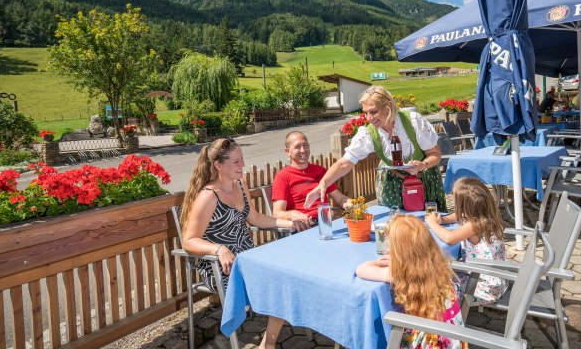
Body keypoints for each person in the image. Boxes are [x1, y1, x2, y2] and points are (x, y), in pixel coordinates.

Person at [179, 137, 302, 349]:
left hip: (247, 259)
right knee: (280, 283)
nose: (242, 165)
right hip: (220, 267)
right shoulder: (208, 196)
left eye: (242, 159)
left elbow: (256, 219)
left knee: (286, 276)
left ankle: (267, 345)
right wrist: (218, 249)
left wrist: (290, 222)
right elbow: (188, 241)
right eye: (236, 162)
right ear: (218, 165)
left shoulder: (240, 186)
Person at [304, 85, 445, 211]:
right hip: (392, 185)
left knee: (428, 228)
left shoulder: (413, 121)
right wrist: (322, 184)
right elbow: (344, 163)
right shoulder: (369, 133)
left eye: (373, 112)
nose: (368, 118)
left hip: (424, 181)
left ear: (388, 106)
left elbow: (435, 153)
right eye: (365, 112)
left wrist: (423, 164)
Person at [356, 215, 468, 349]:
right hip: (453, 339)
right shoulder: (438, 265)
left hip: (429, 343)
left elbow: (361, 269)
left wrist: (380, 263)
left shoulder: (401, 274)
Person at [425, 177, 508, 305]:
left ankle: (446, 317)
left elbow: (450, 238)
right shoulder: (485, 214)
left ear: (464, 207)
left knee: (434, 283)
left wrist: (432, 223)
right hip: (495, 279)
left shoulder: (475, 224)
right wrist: (444, 220)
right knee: (442, 273)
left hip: (483, 287)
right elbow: (459, 216)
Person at [271, 131, 350, 230]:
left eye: (305, 145)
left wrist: (357, 206)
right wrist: (292, 215)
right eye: (297, 147)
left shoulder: (320, 171)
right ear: (287, 152)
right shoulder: (283, 176)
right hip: (304, 227)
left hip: (326, 224)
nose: (303, 150)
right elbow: (277, 213)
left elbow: (340, 199)